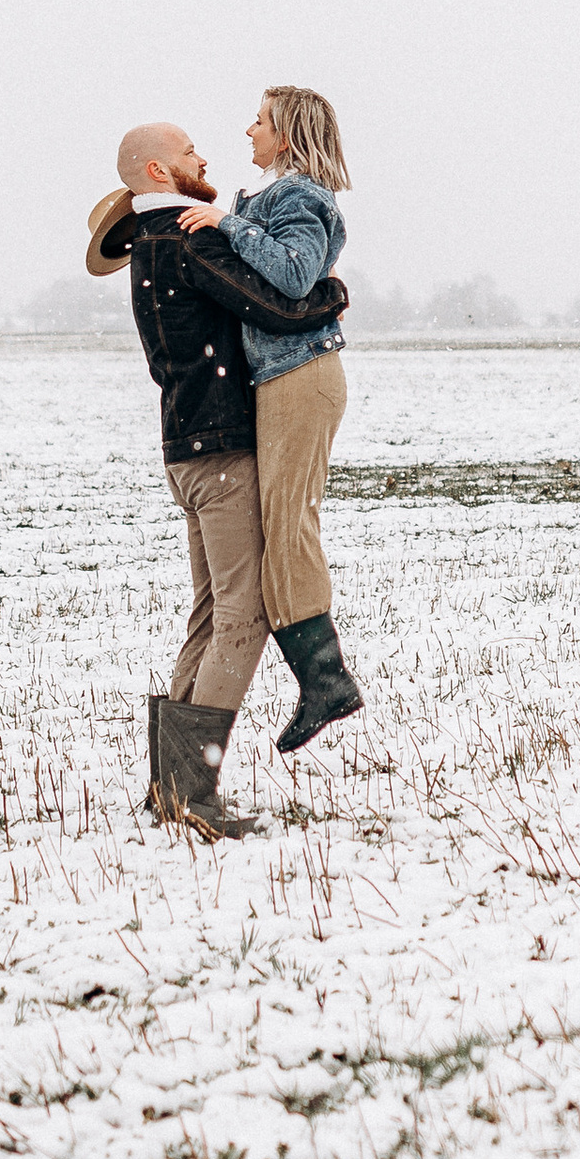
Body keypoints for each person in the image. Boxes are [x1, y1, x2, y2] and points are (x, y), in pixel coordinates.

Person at [85, 121, 346, 834]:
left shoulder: (146, 245)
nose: (204, 157)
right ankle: (192, 793)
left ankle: (170, 788)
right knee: (245, 612)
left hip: (185, 450)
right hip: (225, 451)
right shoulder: (187, 237)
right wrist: (330, 296)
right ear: (158, 172)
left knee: (210, 611)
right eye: (189, 151)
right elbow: (269, 303)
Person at [174, 85, 361, 754]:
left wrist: (228, 225)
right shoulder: (267, 197)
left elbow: (292, 272)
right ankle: (321, 677)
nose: (247, 128)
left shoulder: (302, 195)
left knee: (290, 522)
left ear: (287, 135)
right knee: (282, 524)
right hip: (277, 379)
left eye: (260, 120)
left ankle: (326, 678)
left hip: (302, 377)